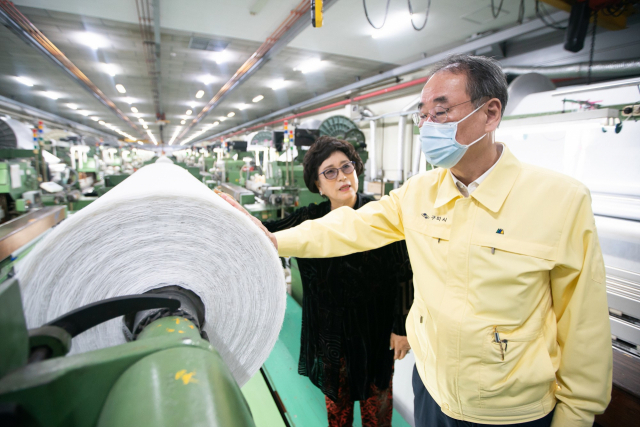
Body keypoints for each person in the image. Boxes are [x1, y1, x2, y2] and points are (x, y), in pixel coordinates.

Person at [222, 54, 612, 427]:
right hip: (433, 393)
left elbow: (583, 321)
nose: (428, 125)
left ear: (490, 113)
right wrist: (269, 239)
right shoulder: (420, 193)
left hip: (510, 410)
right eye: (422, 115)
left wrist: (577, 412)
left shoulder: (560, 200)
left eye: (440, 112)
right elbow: (346, 228)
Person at [263, 136, 414, 427]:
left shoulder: (380, 215)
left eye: (346, 167)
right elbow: (263, 234)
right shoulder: (310, 219)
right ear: (318, 185)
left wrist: (401, 328)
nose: (341, 176)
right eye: (329, 171)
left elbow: (403, 273)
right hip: (331, 335)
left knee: (377, 411)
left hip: (375, 333)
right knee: (338, 412)